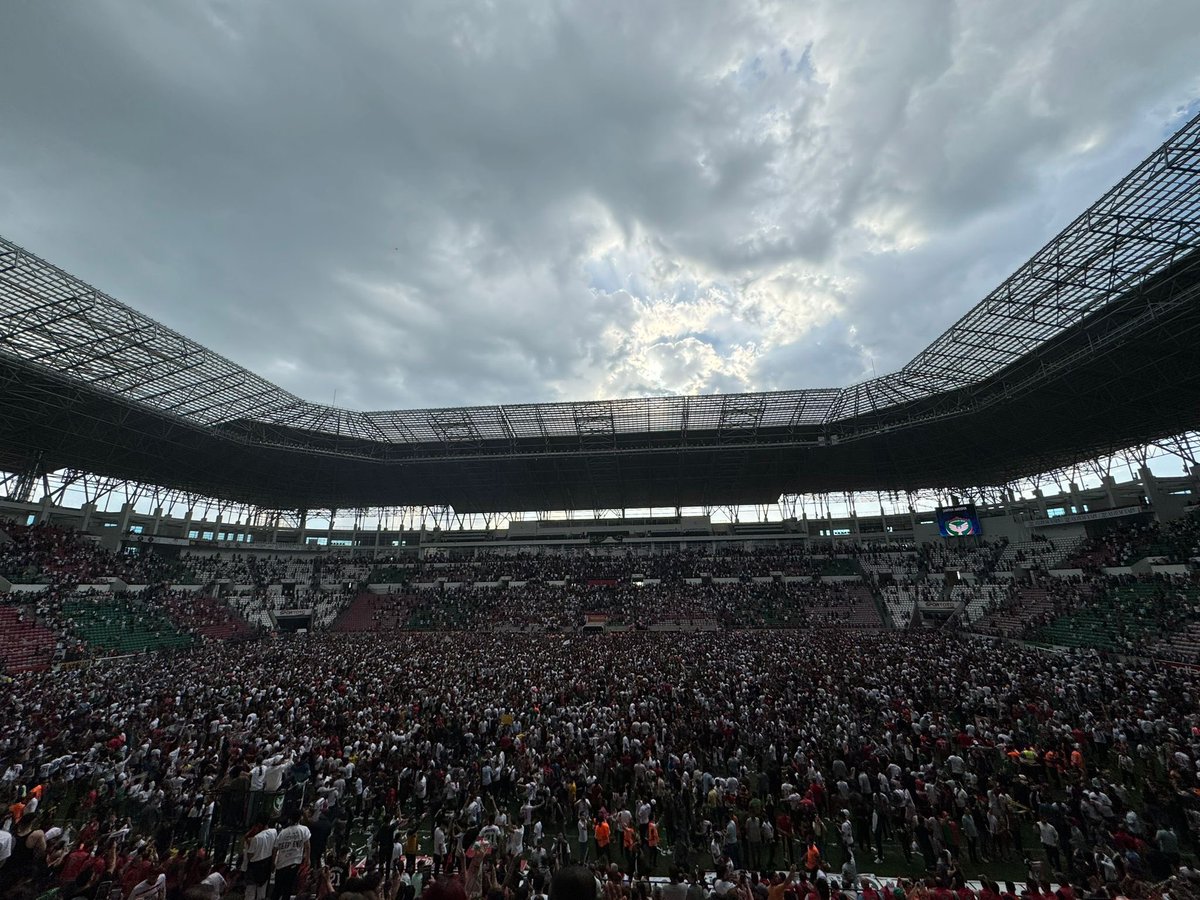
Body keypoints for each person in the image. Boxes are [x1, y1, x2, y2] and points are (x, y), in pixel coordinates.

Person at [272, 813, 311, 900]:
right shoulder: (304, 830)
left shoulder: (283, 832)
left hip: (281, 864)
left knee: (277, 888)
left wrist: (273, 863)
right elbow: (307, 845)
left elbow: (275, 849)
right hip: (294, 862)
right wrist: (308, 859)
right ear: (300, 818)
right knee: (288, 888)